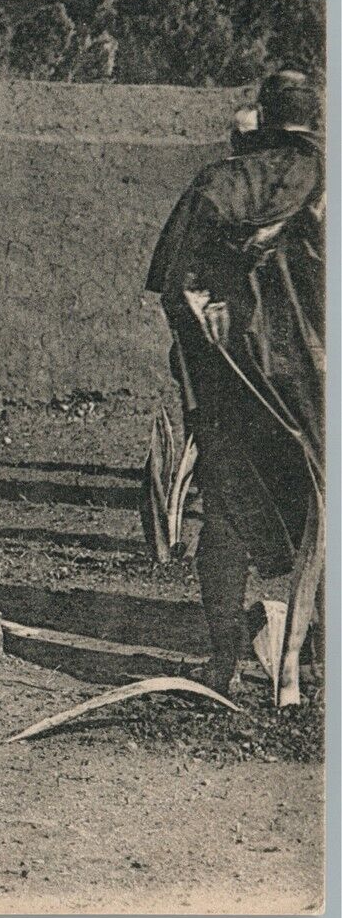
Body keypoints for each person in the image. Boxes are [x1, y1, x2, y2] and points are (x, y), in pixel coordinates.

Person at [146, 71, 324, 695]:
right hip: (319, 396)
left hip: (236, 391)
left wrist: (205, 352)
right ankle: (309, 673)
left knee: (224, 524)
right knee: (323, 520)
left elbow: (175, 287)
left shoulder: (221, 182)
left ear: (264, 117)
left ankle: (223, 664)